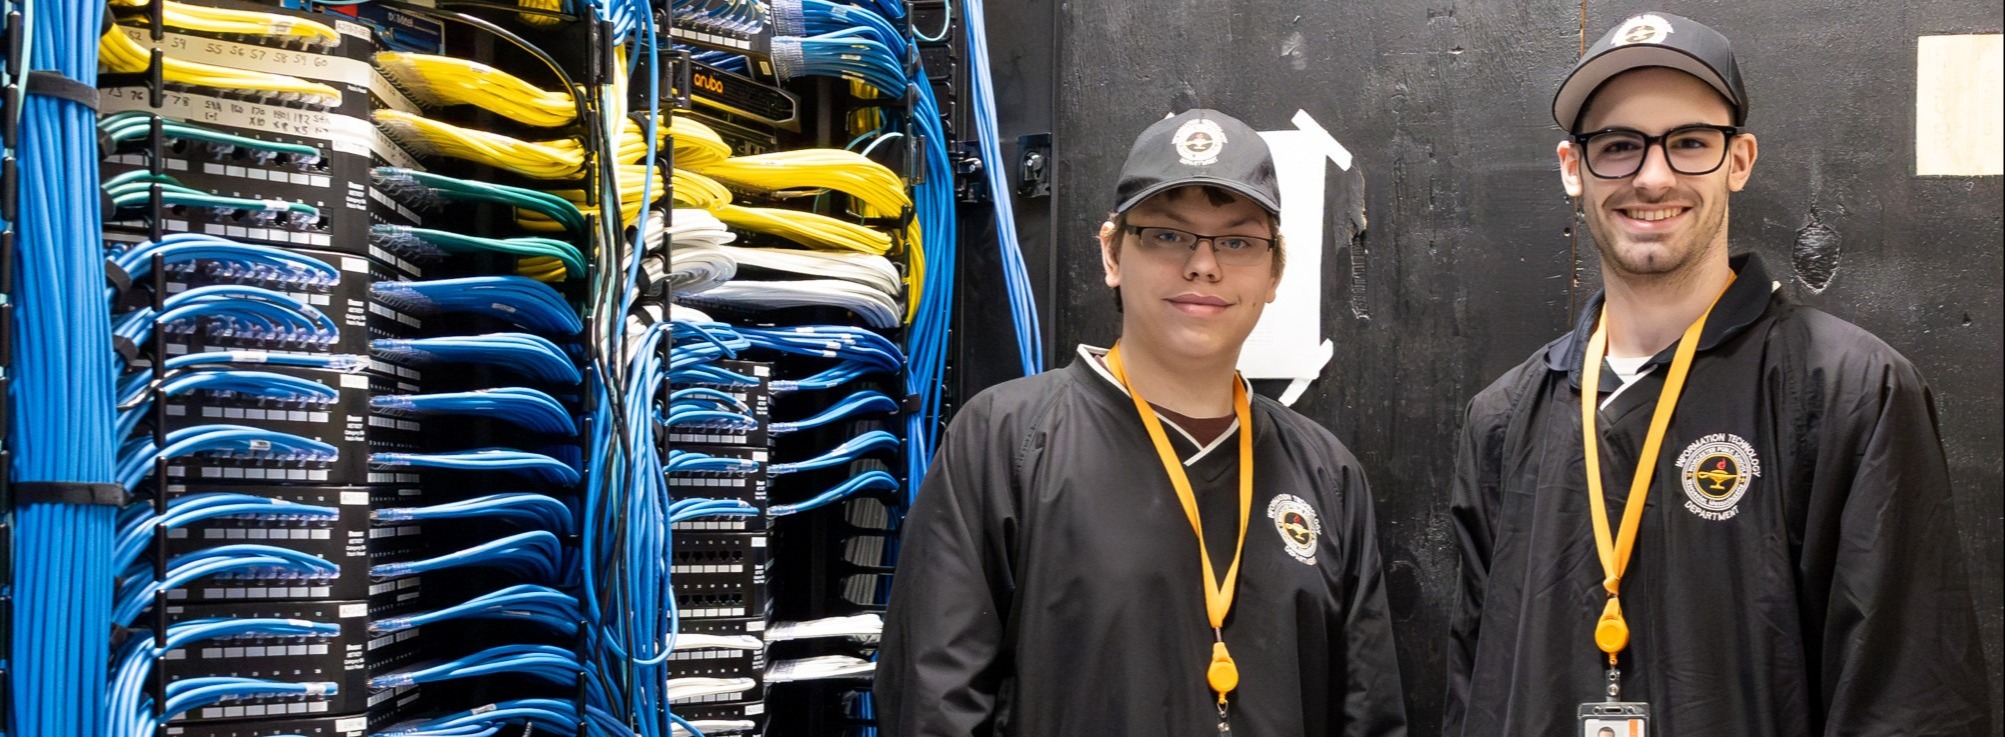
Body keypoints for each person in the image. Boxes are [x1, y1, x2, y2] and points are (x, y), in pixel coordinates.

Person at [1443, 12, 1991, 737]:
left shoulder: (1851, 391)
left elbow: (1910, 703)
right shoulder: (1505, 416)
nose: (1652, 175)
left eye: (1689, 143)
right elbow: (1471, 693)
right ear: (1573, 168)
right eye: (1617, 146)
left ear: (1738, 160)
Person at [879, 109, 1407, 737]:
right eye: (1167, 235)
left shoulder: (1326, 473)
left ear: (1274, 274)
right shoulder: (1004, 442)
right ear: (1112, 252)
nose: (1203, 266)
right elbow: (933, 703)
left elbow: (1367, 714)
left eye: (1237, 241)